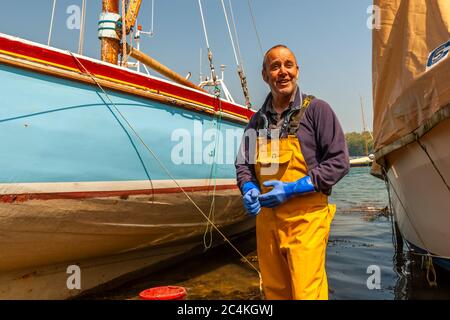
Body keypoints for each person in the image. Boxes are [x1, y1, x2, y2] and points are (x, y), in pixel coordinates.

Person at [235, 45, 349, 300]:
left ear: (297, 70)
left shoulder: (318, 110)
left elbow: (339, 161)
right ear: (265, 75)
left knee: (307, 292)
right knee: (275, 292)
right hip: (266, 223)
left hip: (306, 220)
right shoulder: (255, 122)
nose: (283, 72)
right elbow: (243, 166)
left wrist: (292, 188)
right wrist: (249, 188)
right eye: (275, 66)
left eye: (288, 65)